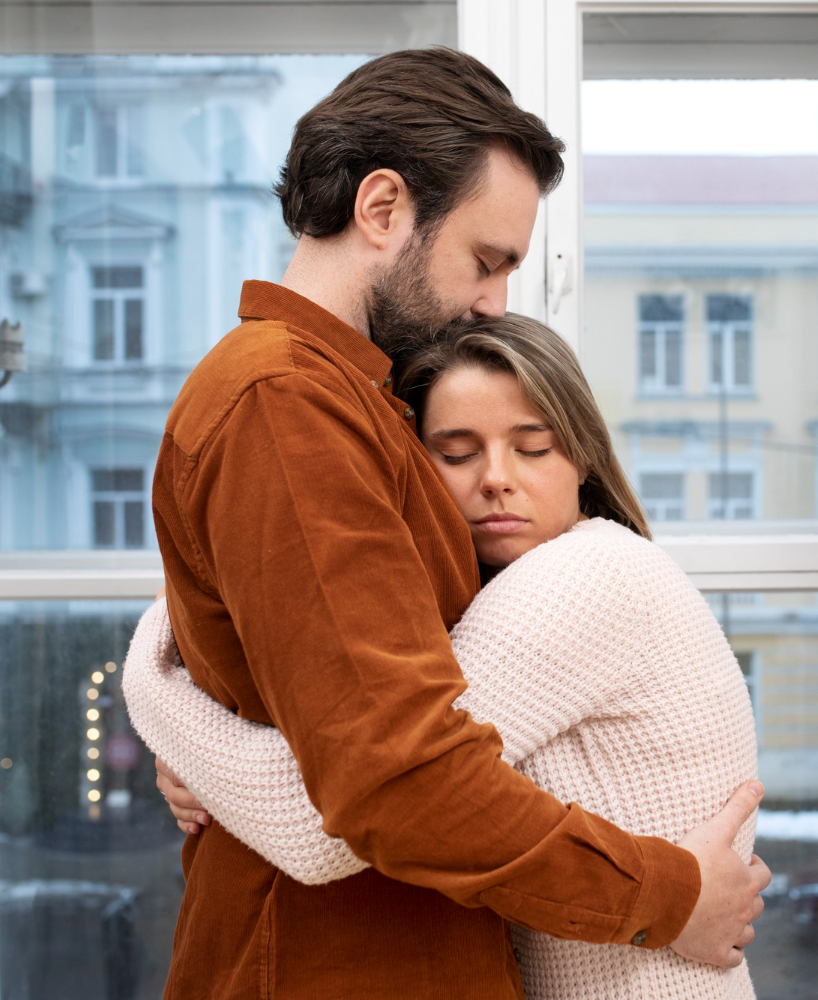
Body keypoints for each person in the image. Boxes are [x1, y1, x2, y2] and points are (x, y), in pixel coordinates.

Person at [141, 46, 769, 999]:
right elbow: (395, 778)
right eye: (486, 260)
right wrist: (668, 894)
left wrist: (190, 724)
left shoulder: (361, 405)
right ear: (383, 208)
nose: (493, 301)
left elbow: (333, 675)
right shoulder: (287, 402)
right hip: (333, 967)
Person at [126, 315, 762, 999]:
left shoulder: (585, 579)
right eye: (456, 454)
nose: (496, 479)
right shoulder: (508, 592)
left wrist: (157, 690)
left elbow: (321, 819)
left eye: (534, 447)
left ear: (583, 457)